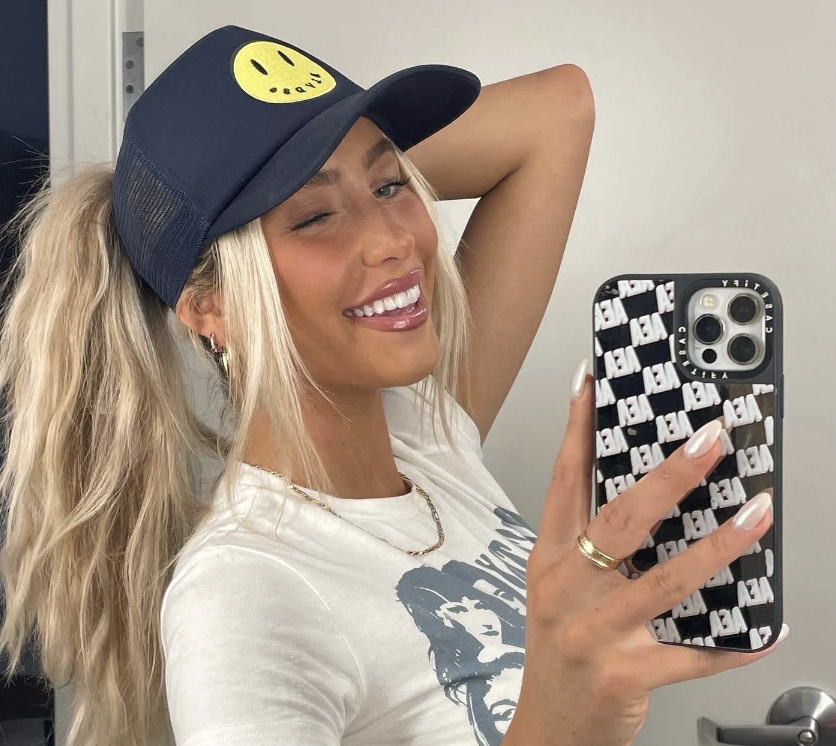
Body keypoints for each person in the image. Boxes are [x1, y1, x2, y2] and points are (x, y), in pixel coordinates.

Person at [0, 23, 786, 746]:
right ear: (212, 307)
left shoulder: (428, 443)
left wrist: (323, 180)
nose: (395, 240)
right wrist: (560, 722)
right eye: (313, 218)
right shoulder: (243, 597)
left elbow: (558, 112)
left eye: (391, 186)